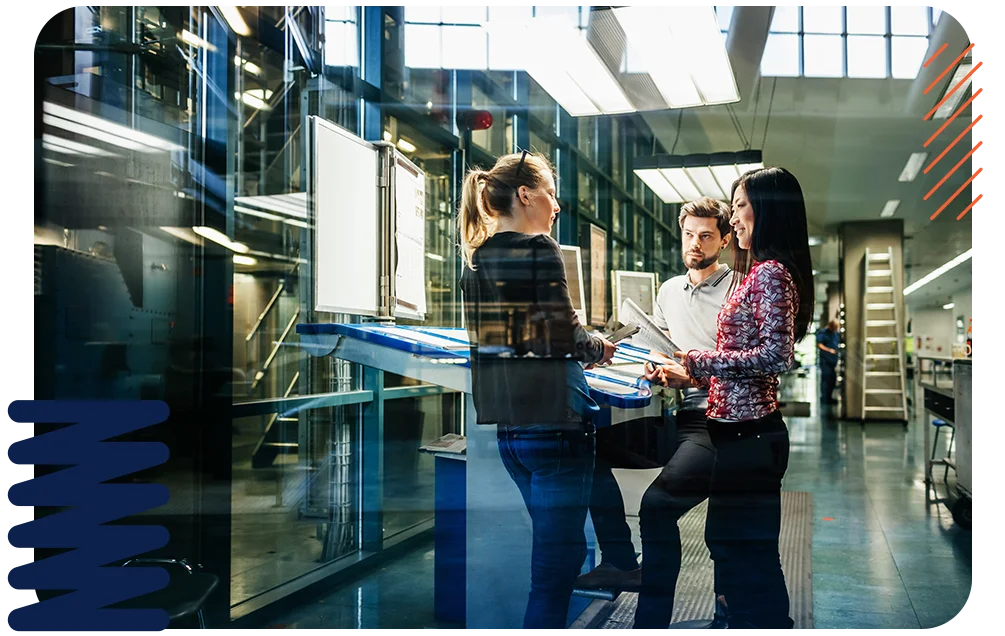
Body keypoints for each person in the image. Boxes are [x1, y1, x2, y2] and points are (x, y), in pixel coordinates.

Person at [459, 149, 617, 631]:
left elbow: (504, 339)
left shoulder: (478, 259)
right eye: (551, 193)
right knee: (554, 568)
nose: (556, 205)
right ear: (526, 195)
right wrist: (599, 346)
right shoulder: (540, 247)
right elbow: (563, 335)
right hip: (557, 424)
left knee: (559, 553)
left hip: (512, 432)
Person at [652, 166, 814, 631]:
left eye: (742, 205)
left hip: (751, 434)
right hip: (735, 431)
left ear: (768, 210)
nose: (736, 217)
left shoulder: (771, 274)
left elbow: (775, 356)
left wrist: (700, 362)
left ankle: (761, 625)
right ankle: (742, 621)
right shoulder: (759, 272)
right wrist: (694, 376)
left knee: (747, 548)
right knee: (732, 542)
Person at [574, 198, 733, 630]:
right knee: (582, 449)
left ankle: (650, 623)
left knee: (658, 505)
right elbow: (658, 349)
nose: (695, 244)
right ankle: (621, 559)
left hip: (717, 420)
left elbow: (744, 364)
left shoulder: (738, 291)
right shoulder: (668, 291)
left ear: (724, 239)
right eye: (689, 234)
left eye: (706, 236)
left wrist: (693, 373)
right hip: (677, 416)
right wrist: (650, 364)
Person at [816, 319, 841, 404]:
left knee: (832, 379)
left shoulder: (835, 334)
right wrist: (829, 350)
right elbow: (819, 344)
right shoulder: (823, 333)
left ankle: (829, 397)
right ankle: (824, 398)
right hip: (825, 361)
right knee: (826, 379)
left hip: (833, 361)